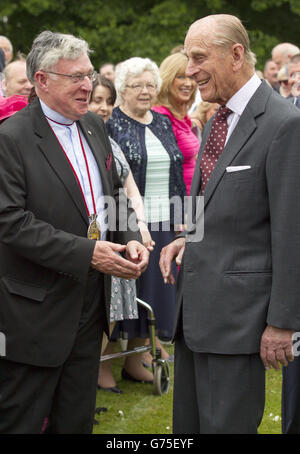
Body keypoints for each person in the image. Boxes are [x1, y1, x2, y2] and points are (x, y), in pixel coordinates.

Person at [0, 30, 148, 434]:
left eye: (89, 74)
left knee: (76, 419)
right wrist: (89, 254)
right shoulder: (10, 138)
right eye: (76, 77)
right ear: (42, 80)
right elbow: (9, 221)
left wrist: (130, 235)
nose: (89, 85)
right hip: (34, 310)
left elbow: (115, 194)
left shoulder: (94, 128)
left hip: (89, 307)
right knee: (22, 420)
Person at [159, 14, 300, 434]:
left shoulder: (283, 124)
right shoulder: (216, 119)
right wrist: (189, 239)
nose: (189, 70)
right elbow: (224, 205)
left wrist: (283, 322)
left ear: (236, 54)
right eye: (188, 58)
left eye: (199, 57)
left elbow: (291, 231)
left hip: (240, 321)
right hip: (194, 314)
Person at [107, 57, 186, 382]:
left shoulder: (162, 122)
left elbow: (178, 175)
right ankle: (108, 362)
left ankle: (137, 359)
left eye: (150, 85)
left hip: (165, 222)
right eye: (136, 85)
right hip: (128, 223)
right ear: (122, 89)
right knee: (128, 293)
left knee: (156, 292)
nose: (144, 91)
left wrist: (191, 226)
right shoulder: (111, 123)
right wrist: (129, 225)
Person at [89, 74, 154, 392]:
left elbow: (129, 191)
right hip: (97, 240)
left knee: (112, 314)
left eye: (107, 101)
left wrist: (138, 228)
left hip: (119, 235)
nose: (102, 107)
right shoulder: (92, 138)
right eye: (95, 100)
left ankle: (87, 383)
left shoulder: (108, 141)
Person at [153, 52, 199, 195]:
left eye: (191, 77)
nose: (188, 83)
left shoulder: (183, 118)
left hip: (193, 200)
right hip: (177, 204)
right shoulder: (159, 118)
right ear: (167, 79)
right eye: (181, 77)